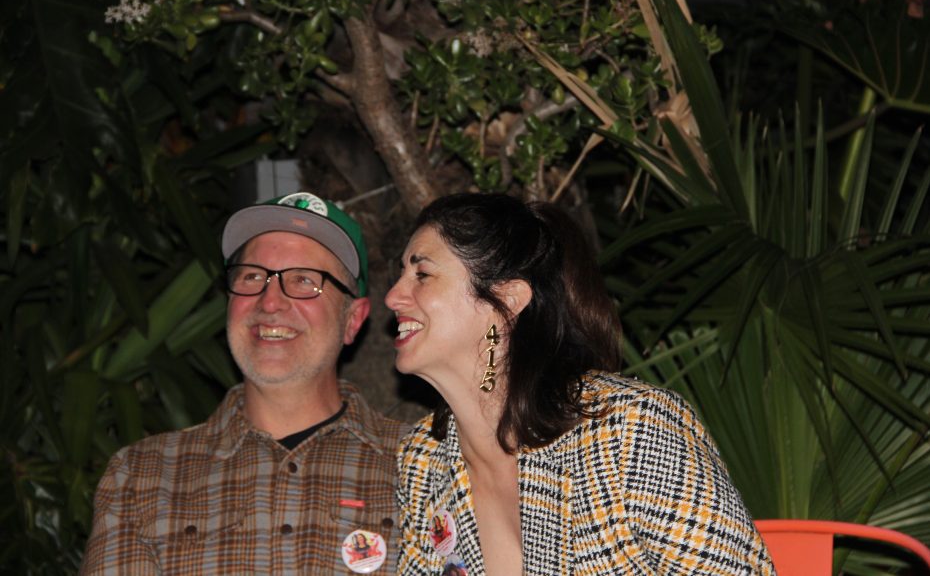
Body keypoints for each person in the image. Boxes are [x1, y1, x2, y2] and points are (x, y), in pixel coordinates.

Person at [386, 193, 774, 575]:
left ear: (505, 301)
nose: (392, 297)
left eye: (422, 274)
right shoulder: (423, 461)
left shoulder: (629, 433)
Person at [81, 191, 408, 574]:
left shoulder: (424, 466)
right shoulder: (142, 477)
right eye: (253, 276)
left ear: (353, 319)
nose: (270, 302)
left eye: (304, 280)